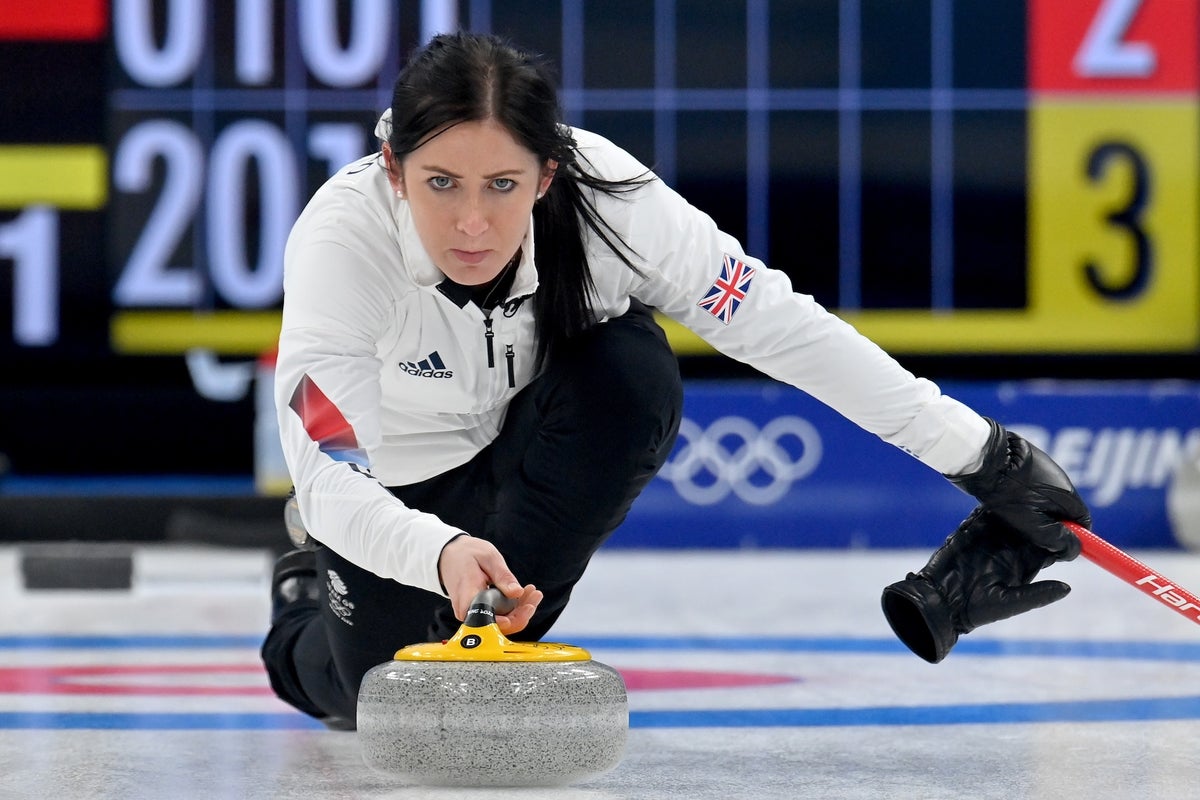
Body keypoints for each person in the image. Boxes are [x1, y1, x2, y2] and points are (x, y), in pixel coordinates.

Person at [261, 31, 1091, 727]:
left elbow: (778, 324)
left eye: (502, 186)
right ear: (394, 168)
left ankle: (497, 642)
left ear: (547, 176)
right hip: (401, 493)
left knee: (632, 372)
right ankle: (303, 596)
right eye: (441, 184)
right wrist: (438, 551)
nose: (472, 223)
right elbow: (332, 470)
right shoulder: (342, 245)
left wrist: (984, 456)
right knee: (372, 699)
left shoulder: (612, 205)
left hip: (535, 444)